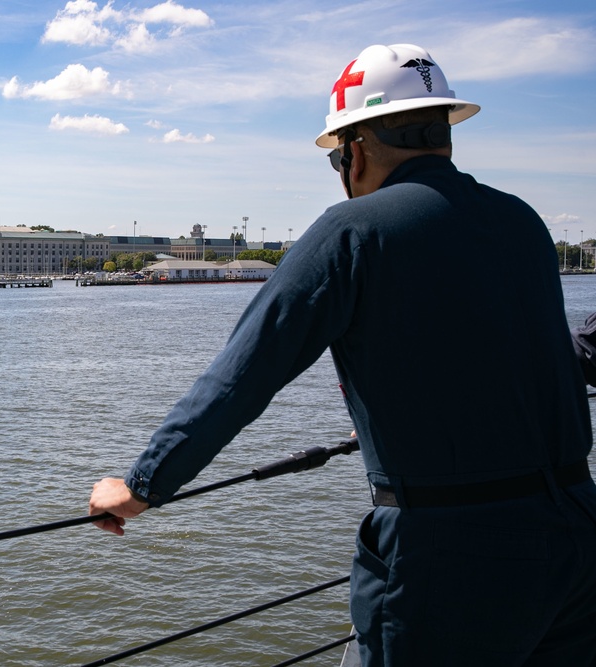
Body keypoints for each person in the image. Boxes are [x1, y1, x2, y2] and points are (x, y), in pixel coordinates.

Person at [89, 44, 596, 666]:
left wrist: (142, 485)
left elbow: (240, 379)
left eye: (337, 157)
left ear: (355, 148)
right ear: (442, 134)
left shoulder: (349, 232)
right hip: (577, 534)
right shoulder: (523, 221)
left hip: (447, 556)